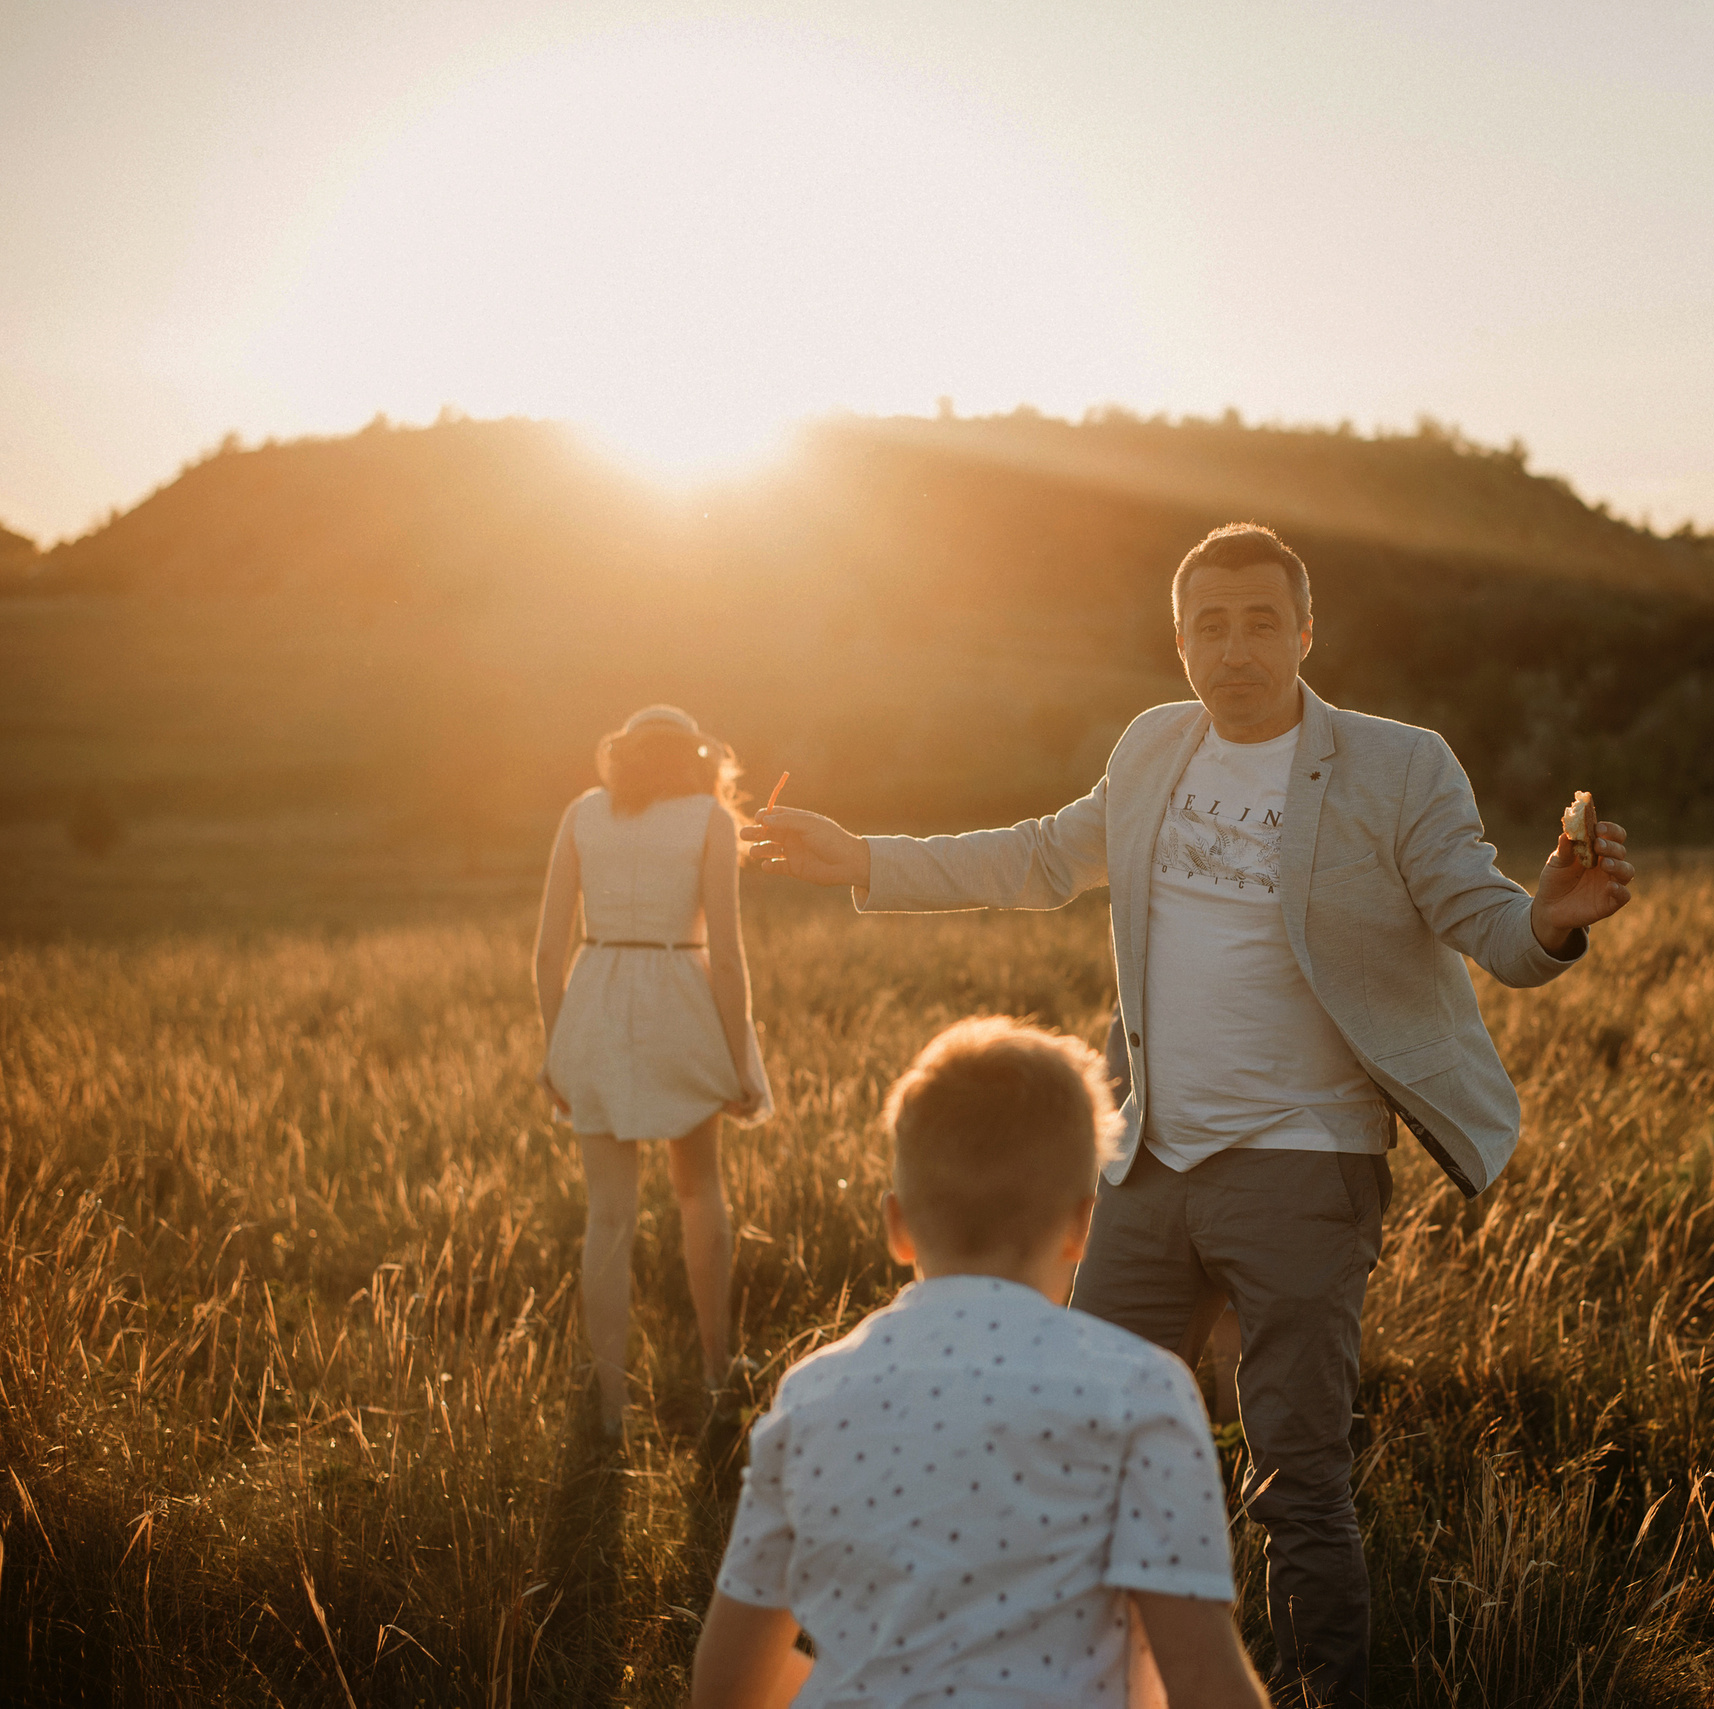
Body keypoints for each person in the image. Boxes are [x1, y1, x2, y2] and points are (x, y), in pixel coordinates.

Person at [749, 523, 1634, 1705]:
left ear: (1306, 631)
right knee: (1078, 1444)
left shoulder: (1397, 764)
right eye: (1208, 624)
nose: (1235, 647)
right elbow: (1038, 857)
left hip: (1306, 1166)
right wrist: (864, 854)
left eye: (1261, 619)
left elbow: (1488, 921)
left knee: (1298, 1472)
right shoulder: (1154, 747)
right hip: (1147, 1163)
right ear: (1178, 642)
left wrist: (1554, 917)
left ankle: (1324, 1687)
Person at [690, 1017, 1268, 1709]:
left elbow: (724, 1687)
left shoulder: (811, 1395)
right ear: (1083, 1226)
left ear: (896, 1224)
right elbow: (1205, 1682)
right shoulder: (1139, 1392)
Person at [533, 704, 774, 1445]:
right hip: (679, 993)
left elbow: (547, 951)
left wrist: (556, 1048)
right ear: (699, 758)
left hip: (597, 994)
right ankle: (716, 1370)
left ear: (625, 755)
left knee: (607, 1213)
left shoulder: (583, 812)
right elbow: (728, 955)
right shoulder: (711, 818)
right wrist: (738, 1059)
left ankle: (608, 1406)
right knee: (700, 1192)